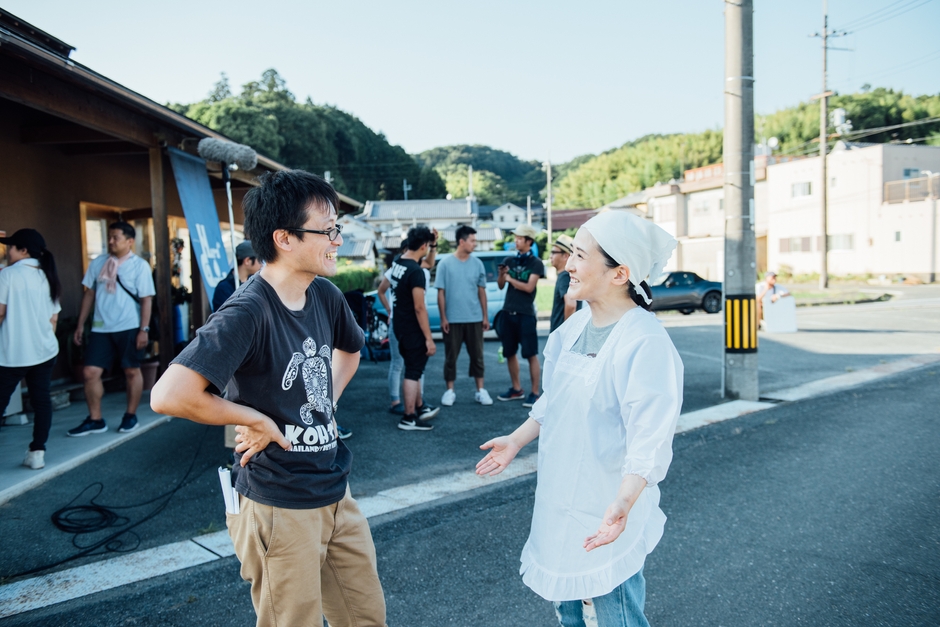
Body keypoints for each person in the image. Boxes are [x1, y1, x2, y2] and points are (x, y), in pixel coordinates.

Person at [151, 170, 386, 627]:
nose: (338, 240)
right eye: (328, 230)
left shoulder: (324, 294)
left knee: (366, 618)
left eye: (338, 228)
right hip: (278, 502)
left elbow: (351, 351)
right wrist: (256, 420)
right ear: (285, 238)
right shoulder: (247, 310)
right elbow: (170, 395)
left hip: (335, 491)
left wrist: (327, 405)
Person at [476, 211, 683, 627]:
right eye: (571, 253)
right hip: (560, 498)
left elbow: (650, 437)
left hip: (607, 504)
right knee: (567, 609)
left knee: (616, 614)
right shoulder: (572, 330)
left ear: (619, 273)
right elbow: (554, 401)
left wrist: (624, 502)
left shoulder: (644, 341)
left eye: (581, 256)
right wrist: (516, 440)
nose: (568, 264)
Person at [69, 221, 155, 436]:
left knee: (131, 371)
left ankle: (130, 415)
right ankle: (95, 419)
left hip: (129, 326)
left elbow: (146, 299)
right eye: (109, 237)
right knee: (90, 372)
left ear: (130, 241)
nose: (111, 241)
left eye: (116, 237)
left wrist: (144, 329)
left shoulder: (139, 265)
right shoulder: (98, 263)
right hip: (101, 327)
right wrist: (80, 324)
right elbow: (89, 294)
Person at [0, 229, 62, 470]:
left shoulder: (8, 274)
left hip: (13, 353)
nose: (8, 251)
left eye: (11, 247)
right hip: (44, 351)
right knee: (41, 401)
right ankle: (37, 453)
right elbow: (54, 318)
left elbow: (0, 313)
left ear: (23, 250)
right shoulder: (48, 275)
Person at [377, 234, 436, 416]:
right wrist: (429, 338)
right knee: (407, 367)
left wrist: (433, 245)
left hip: (402, 323)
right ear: (422, 246)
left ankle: (418, 404)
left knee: (413, 368)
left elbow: (430, 262)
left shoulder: (400, 264)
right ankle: (405, 410)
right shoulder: (413, 270)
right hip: (410, 324)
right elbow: (419, 307)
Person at [436, 225, 492, 407]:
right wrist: (443, 318)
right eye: (472, 240)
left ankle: (480, 390)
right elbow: (441, 293)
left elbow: (482, 292)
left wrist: (485, 317)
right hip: (452, 320)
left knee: (478, 356)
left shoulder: (478, 264)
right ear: (462, 241)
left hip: (475, 318)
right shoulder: (445, 264)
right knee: (450, 357)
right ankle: (449, 391)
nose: (475, 244)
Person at [495, 224, 545, 408]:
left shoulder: (536, 263)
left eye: (519, 238)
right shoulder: (509, 260)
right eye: (515, 238)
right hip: (508, 311)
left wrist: (510, 278)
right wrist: (502, 275)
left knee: (530, 354)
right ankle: (516, 389)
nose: (516, 241)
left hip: (526, 314)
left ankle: (535, 393)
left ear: (529, 241)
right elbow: (501, 285)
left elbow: (529, 287)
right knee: (509, 352)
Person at [211, 240, 262, 311]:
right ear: (247, 261)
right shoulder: (224, 288)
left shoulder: (256, 283)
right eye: (259, 259)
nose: (261, 264)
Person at [549, 234, 581, 333]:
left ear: (565, 256)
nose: (550, 256)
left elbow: (571, 305)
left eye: (554, 252)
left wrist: (565, 332)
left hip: (562, 334)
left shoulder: (565, 276)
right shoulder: (567, 276)